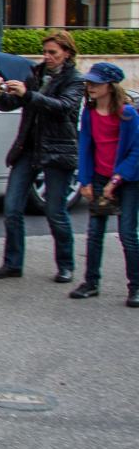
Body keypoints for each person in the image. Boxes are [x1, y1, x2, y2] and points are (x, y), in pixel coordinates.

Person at [0, 32, 84, 282]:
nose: (47, 57)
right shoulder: (37, 74)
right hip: (28, 148)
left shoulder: (75, 80)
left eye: (53, 53)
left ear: (67, 53)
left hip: (58, 150)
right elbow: (11, 104)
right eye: (46, 52)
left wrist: (27, 94)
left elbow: (62, 108)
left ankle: (66, 265)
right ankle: (12, 263)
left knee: (55, 211)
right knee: (12, 208)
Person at [71, 63, 139, 307]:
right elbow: (86, 148)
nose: (90, 87)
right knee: (94, 233)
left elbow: (135, 152)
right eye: (88, 83)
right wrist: (85, 180)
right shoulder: (88, 113)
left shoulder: (127, 114)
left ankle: (135, 287)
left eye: (96, 83)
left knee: (128, 234)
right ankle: (91, 282)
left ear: (109, 86)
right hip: (99, 177)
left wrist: (116, 180)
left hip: (127, 180)